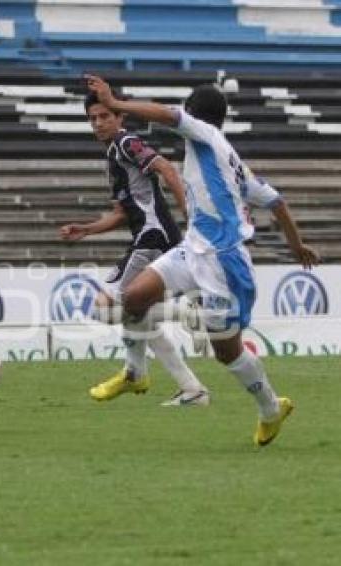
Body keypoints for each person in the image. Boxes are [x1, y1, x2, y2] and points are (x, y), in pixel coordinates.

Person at [85, 75, 320, 445]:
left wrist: (115, 104)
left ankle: (271, 408)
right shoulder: (228, 156)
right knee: (133, 297)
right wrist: (297, 244)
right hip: (192, 249)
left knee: (226, 352)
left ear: (195, 114)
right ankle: (135, 373)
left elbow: (166, 114)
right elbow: (275, 201)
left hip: (224, 263)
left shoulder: (205, 133)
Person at [60, 93, 210, 406]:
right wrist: (85, 230)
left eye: (105, 116)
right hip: (146, 237)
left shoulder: (128, 144)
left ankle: (183, 315)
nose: (99, 123)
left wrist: (191, 218)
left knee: (107, 307)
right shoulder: (113, 155)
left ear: (120, 117)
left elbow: (168, 169)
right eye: (93, 118)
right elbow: (122, 213)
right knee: (136, 313)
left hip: (152, 238)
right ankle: (189, 389)